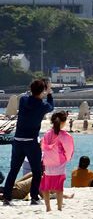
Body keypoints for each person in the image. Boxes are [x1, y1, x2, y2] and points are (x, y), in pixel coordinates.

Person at [2, 78, 54, 206]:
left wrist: (39, 89)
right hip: (31, 142)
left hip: (18, 141)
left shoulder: (24, 100)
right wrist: (50, 93)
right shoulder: (43, 106)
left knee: (13, 170)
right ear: (42, 91)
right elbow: (51, 106)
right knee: (37, 172)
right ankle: (34, 197)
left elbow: (27, 95)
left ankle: (7, 197)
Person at [41, 111, 75, 212]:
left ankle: (48, 208)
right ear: (63, 122)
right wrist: (67, 158)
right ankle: (59, 207)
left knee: (46, 186)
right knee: (59, 186)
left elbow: (43, 147)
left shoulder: (47, 134)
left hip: (47, 162)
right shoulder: (65, 135)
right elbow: (69, 150)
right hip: (59, 163)